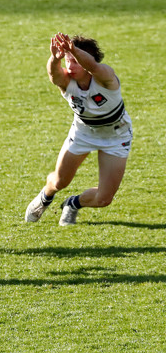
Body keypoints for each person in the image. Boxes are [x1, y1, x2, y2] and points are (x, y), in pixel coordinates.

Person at [25, 32, 132, 226]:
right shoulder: (67, 82)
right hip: (83, 133)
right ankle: (45, 196)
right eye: (68, 61)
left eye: (75, 61)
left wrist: (73, 50)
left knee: (103, 199)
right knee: (59, 181)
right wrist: (54, 58)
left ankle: (73, 204)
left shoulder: (105, 77)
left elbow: (92, 66)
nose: (70, 66)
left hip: (116, 136)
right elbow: (53, 74)